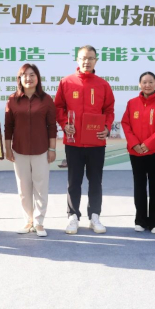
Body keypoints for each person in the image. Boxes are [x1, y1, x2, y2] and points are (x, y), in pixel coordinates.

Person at [55, 45, 115, 234]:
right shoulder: (66, 82)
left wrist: (106, 127)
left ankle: (94, 216)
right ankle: (73, 216)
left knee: (95, 180)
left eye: (90, 58)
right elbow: (58, 108)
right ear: (77, 60)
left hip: (96, 141)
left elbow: (109, 110)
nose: (86, 61)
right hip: (73, 142)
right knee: (74, 181)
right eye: (83, 58)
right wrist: (64, 124)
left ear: (96, 61)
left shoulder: (103, 84)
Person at [4, 64, 57, 237]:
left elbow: (52, 126)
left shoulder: (46, 99)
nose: (28, 78)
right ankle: (29, 220)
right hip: (19, 150)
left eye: (32, 74)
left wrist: (52, 149)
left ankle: (39, 222)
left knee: (41, 187)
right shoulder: (12, 100)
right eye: (24, 75)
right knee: (23, 188)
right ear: (19, 79)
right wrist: (8, 148)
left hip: (41, 150)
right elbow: (8, 127)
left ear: (38, 78)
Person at [121, 72, 155, 234]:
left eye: (151, 82)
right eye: (144, 82)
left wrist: (148, 144)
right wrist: (135, 144)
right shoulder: (132, 103)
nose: (147, 85)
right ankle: (140, 220)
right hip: (136, 153)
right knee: (139, 186)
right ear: (139, 84)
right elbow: (126, 124)